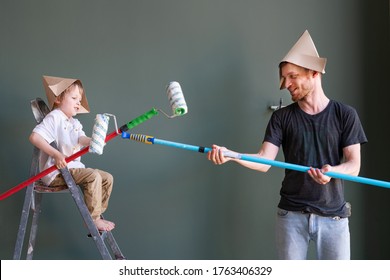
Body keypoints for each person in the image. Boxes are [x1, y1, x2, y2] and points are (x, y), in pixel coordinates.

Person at [207, 30, 367, 260]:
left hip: (334, 218)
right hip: (291, 216)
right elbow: (264, 161)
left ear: (313, 72)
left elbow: (354, 165)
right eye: (283, 78)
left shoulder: (345, 115)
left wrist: (333, 172)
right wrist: (232, 155)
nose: (285, 84)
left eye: (292, 76)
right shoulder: (282, 118)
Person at [29, 75, 115, 232]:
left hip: (72, 169)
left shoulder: (74, 122)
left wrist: (93, 140)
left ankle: (94, 215)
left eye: (79, 99)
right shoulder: (54, 117)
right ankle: (93, 219)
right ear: (58, 99)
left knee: (107, 178)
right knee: (92, 176)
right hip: (56, 172)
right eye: (74, 97)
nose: (78, 102)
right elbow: (35, 137)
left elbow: (80, 139)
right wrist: (56, 154)